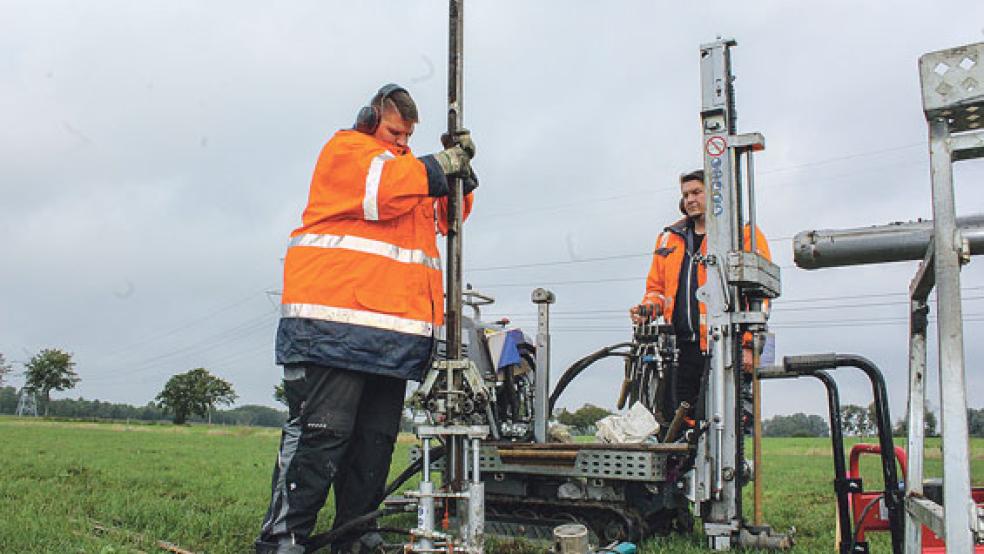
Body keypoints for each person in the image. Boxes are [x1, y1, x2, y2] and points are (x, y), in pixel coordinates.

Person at [256, 84, 477, 554]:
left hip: (391, 337)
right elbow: (385, 190)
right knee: (320, 442)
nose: (402, 141)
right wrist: (438, 166)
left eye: (408, 135)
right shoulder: (348, 151)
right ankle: (283, 542)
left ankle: (355, 539)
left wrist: (462, 173)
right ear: (369, 118)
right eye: (396, 131)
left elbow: (448, 215)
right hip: (332, 329)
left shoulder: (405, 167)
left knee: (374, 446)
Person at [630, 169, 769, 423]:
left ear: (715, 194)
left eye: (696, 192)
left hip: (726, 347)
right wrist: (647, 308)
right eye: (685, 195)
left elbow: (759, 296)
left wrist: (748, 345)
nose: (690, 199)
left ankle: (720, 464)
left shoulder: (742, 234)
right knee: (678, 419)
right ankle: (686, 463)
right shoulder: (668, 238)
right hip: (680, 349)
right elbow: (656, 290)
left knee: (724, 420)